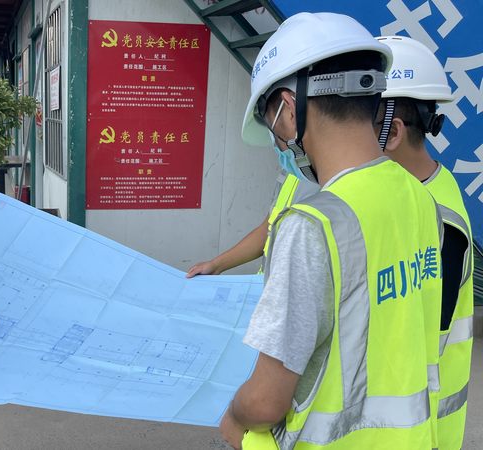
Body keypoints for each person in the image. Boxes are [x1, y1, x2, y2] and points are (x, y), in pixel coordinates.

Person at [218, 13, 443, 449]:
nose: (279, 142)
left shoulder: (313, 225)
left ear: (288, 110)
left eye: (271, 125)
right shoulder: (419, 197)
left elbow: (264, 402)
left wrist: (233, 414)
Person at [375, 35, 474, 450]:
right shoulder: (403, 189)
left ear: (392, 131)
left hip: (421, 430)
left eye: (355, 119)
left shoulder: (441, 222)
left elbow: (417, 341)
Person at [186, 135, 319, 277]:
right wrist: (216, 265)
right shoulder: (292, 170)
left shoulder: (326, 178)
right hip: (270, 285)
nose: (276, 142)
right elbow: (267, 230)